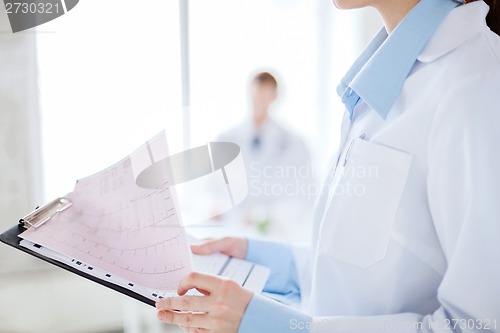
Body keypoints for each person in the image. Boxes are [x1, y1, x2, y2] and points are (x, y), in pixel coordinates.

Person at [156, 0, 500, 331]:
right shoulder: (386, 87)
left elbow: (480, 325)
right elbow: (358, 273)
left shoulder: (475, 88)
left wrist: (273, 327)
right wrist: (258, 258)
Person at [214, 72, 313, 237]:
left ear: (274, 96)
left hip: (273, 232)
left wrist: (264, 215)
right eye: (257, 95)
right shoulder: (226, 139)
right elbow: (208, 190)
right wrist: (219, 208)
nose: (260, 101)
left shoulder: (293, 144)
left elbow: (305, 196)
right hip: (230, 227)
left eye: (266, 96)